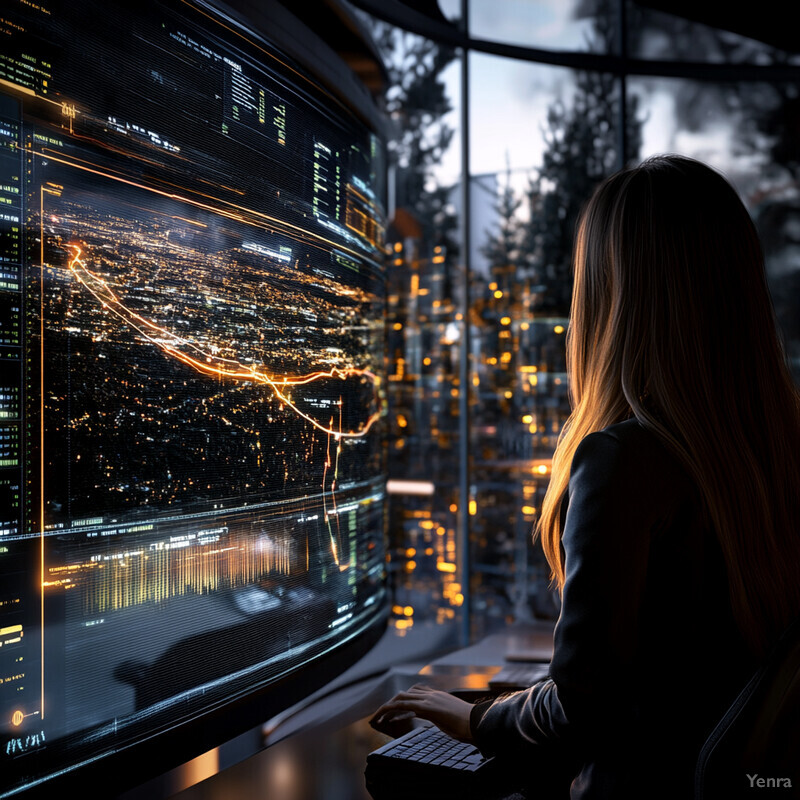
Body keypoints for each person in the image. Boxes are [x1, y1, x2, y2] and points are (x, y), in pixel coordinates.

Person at [370, 155, 800, 798]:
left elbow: (582, 709)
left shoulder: (623, 461)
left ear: (611, 296)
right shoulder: (777, 453)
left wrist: (473, 718)